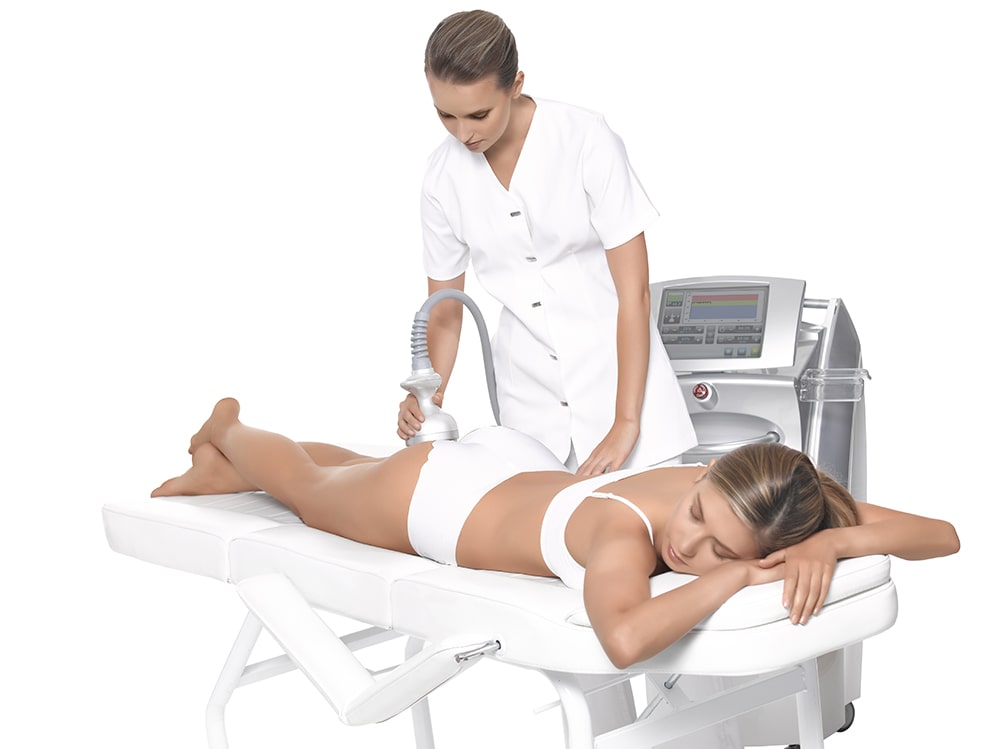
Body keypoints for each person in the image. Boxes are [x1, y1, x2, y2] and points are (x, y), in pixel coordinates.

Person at [154, 398, 960, 670]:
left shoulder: (771, 496)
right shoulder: (623, 534)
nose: (691, 549)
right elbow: (623, 637)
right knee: (311, 489)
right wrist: (731, 577)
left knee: (353, 472)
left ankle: (221, 473)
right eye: (698, 516)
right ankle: (230, 430)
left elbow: (944, 534)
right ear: (709, 473)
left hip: (513, 469)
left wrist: (833, 540)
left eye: (723, 550)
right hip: (433, 498)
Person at [397, 10, 698, 476]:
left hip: (622, 390)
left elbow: (634, 294)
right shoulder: (442, 177)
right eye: (445, 115)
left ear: (515, 85)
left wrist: (625, 422)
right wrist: (427, 398)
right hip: (530, 409)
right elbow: (445, 311)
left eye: (479, 114)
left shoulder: (585, 139)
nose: (463, 133)